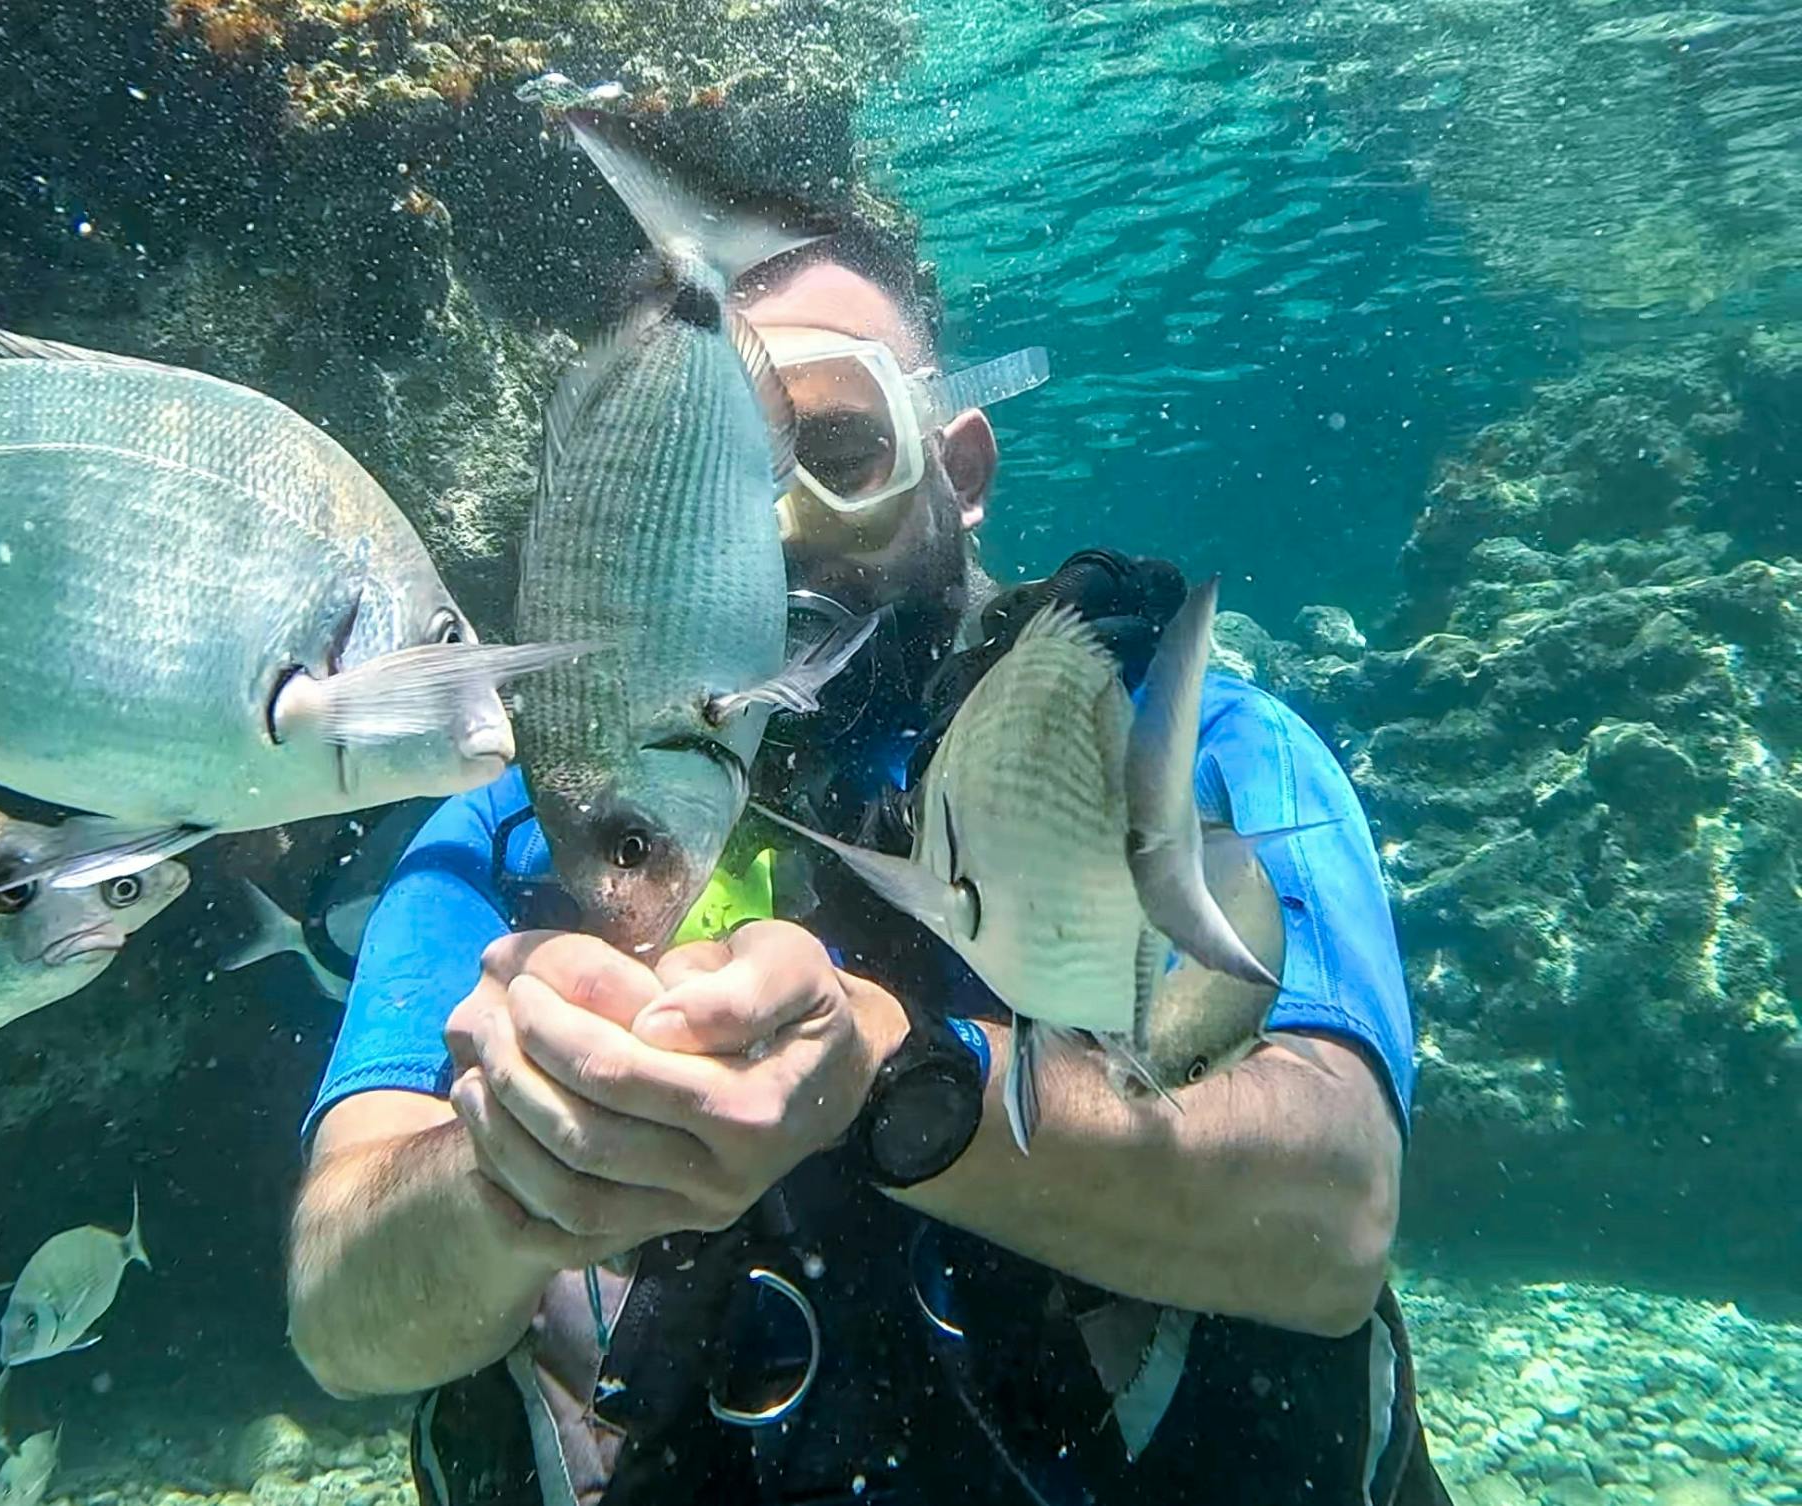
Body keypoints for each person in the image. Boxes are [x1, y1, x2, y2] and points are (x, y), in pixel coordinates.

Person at [285, 202, 1451, 1506]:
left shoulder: (1194, 750)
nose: (772, 523)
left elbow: (1335, 1219)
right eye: (710, 481)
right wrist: (513, 1164)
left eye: (839, 446)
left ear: (957, 464)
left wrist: (896, 1072)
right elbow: (341, 1314)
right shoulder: (522, 822)